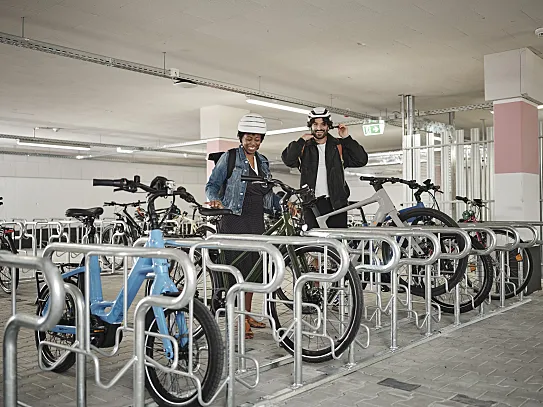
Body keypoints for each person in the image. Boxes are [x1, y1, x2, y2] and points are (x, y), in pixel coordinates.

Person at [205, 113, 275, 339]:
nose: (252, 143)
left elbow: (268, 192)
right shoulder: (231, 157)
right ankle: (239, 317)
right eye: (248, 138)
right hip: (234, 218)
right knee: (237, 272)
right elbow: (212, 184)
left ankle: (246, 313)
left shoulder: (263, 161)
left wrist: (283, 205)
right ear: (240, 137)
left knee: (253, 270)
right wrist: (215, 199)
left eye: (257, 139)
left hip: (256, 218)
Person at [281, 107, 368, 228]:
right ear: (310, 126)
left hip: (337, 205)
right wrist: (300, 141)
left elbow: (361, 160)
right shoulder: (304, 148)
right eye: (315, 124)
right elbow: (288, 160)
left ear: (328, 126)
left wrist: (346, 138)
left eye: (323, 124)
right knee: (314, 244)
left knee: (336, 243)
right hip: (311, 205)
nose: (319, 128)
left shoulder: (338, 146)